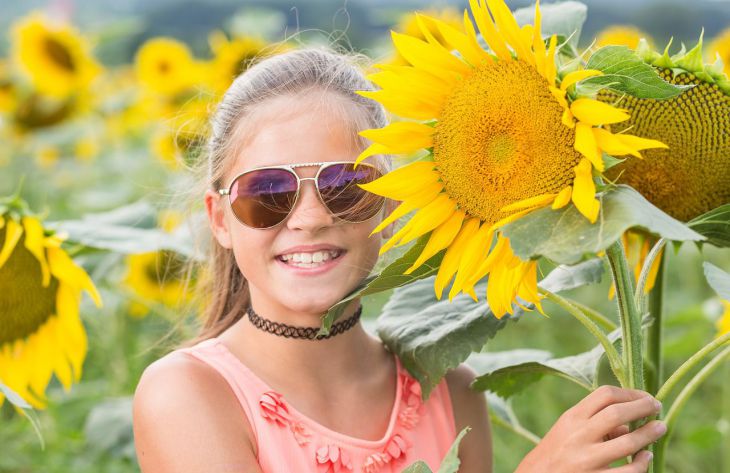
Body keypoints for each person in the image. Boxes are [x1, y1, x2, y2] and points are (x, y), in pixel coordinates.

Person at [132, 47, 666, 473]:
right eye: (267, 191)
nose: (311, 218)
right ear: (221, 219)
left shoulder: (451, 390)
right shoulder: (189, 394)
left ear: (391, 204)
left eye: (347, 185)